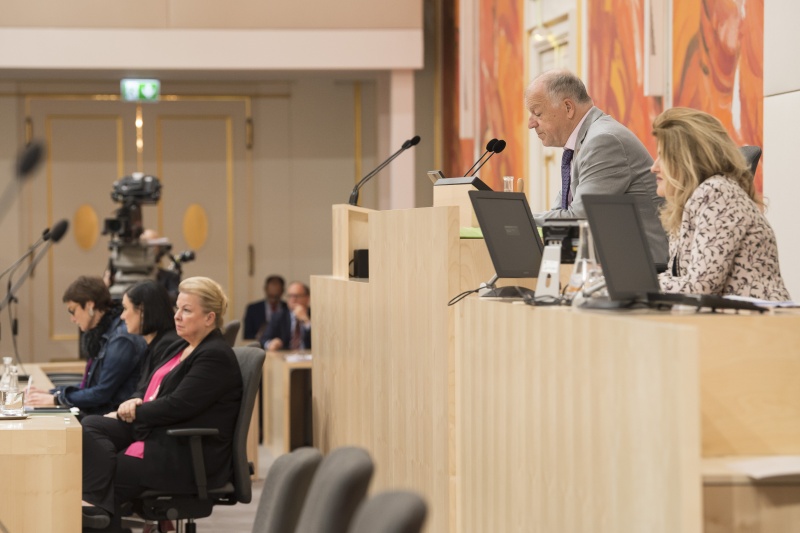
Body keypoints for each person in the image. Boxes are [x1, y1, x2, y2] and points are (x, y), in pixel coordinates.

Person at [80, 276, 243, 530]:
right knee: (90, 426)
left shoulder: (214, 356)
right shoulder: (180, 346)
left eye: (186, 310)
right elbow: (147, 387)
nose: (177, 315)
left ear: (209, 318)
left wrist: (132, 413)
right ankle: (96, 509)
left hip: (183, 454)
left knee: (98, 477)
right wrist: (135, 400)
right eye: (177, 307)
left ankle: (95, 512)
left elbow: (178, 405)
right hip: (159, 436)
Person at [525, 69, 668, 262]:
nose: (531, 124)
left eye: (538, 113)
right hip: (618, 264)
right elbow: (562, 210)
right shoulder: (581, 143)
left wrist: (520, 221)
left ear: (568, 108)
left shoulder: (603, 141)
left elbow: (579, 218)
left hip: (647, 268)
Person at [650, 108, 790, 300]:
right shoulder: (689, 202)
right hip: (727, 321)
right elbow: (683, 279)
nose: (654, 167)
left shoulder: (716, 193)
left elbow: (701, 286)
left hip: (758, 324)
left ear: (687, 160)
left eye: (662, 157)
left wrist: (636, 283)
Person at [26, 276, 147, 415]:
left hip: (109, 419)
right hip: (98, 414)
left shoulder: (121, 339)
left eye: (73, 311)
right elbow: (90, 385)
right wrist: (52, 392)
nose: (72, 319)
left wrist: (56, 399)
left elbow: (101, 393)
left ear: (90, 305)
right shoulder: (103, 333)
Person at [120, 280, 181, 391]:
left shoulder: (167, 345)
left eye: (125, 308)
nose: (122, 316)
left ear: (142, 310)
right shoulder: (154, 343)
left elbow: (154, 394)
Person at [260, 281, 311, 351]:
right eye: (290, 296)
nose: (293, 300)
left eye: (296, 296)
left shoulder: (315, 315)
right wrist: (270, 344)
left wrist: (306, 321)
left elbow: (319, 340)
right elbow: (264, 339)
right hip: (285, 357)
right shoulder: (279, 316)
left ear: (307, 298)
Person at [242, 274, 287, 340]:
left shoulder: (288, 308)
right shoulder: (253, 309)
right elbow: (247, 336)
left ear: (282, 292)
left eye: (276, 297)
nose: (273, 300)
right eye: (270, 296)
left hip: (283, 347)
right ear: (265, 290)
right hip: (259, 345)